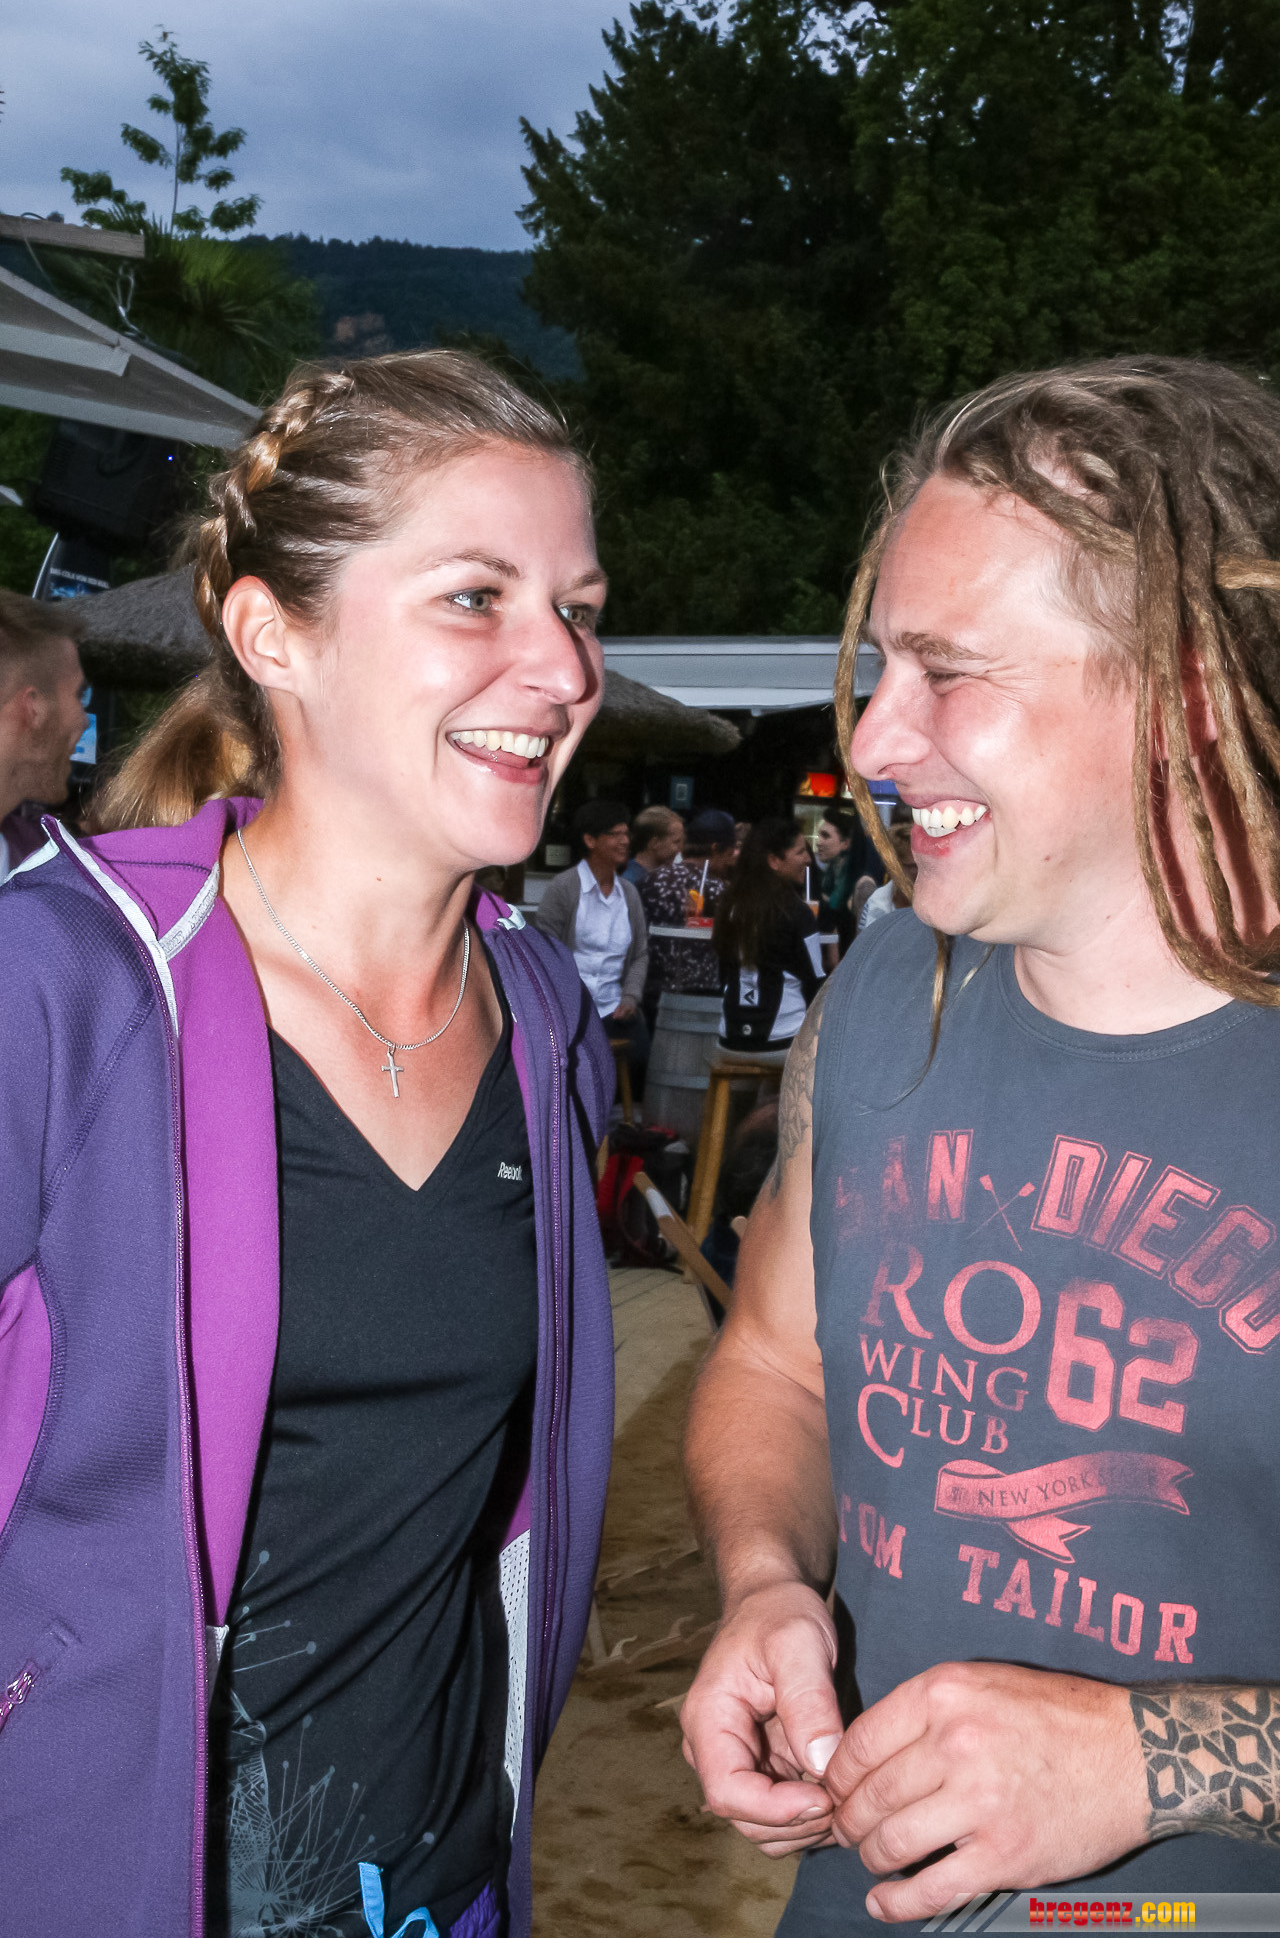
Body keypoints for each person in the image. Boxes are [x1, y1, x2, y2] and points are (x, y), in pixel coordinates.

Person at [680, 356, 1280, 1929]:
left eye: (947, 672)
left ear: (1186, 689)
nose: (873, 744)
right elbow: (776, 1366)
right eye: (880, 666)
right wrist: (766, 1584)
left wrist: (1147, 1762)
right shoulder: (886, 990)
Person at [0, 350, 616, 1938]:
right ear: (277, 635)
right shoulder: (60, 988)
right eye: (475, 598)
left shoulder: (546, 1021)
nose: (561, 668)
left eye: (579, 609)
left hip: (442, 1884)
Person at [530, 797, 650, 1088]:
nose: (625, 841)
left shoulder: (628, 893)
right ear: (590, 840)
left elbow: (640, 954)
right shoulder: (565, 887)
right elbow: (545, 951)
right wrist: (568, 1001)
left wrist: (630, 997)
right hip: (572, 1009)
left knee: (642, 1057)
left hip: (613, 1009)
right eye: (615, 834)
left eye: (626, 834)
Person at [711, 816, 820, 1056]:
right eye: (800, 852)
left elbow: (723, 973)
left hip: (729, 1041)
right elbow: (815, 981)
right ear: (774, 861)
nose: (808, 859)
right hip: (783, 1043)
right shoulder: (798, 912)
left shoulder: (727, 906)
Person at [0, 589, 87, 880]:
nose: (84, 720)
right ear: (34, 709)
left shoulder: (46, 859)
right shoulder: (53, 871)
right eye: (78, 695)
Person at [638, 808, 738, 1018]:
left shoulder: (649, 880)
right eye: (729, 854)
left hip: (649, 994)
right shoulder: (719, 889)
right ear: (715, 849)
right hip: (702, 1001)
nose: (731, 862)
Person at [814, 807, 856, 960]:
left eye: (826, 836)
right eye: (819, 835)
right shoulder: (829, 874)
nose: (819, 842)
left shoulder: (853, 880)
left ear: (845, 843)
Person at [622, 803, 684, 889]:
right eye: (676, 842)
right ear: (655, 843)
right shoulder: (631, 882)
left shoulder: (667, 876)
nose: (680, 849)